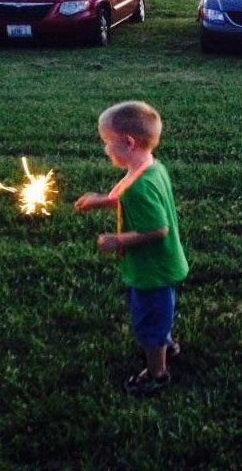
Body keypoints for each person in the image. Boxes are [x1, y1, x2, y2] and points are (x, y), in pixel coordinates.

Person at [75, 101, 189, 397]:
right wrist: (101, 200)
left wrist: (119, 241)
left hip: (152, 269)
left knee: (149, 320)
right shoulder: (152, 168)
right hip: (162, 265)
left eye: (107, 143)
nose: (105, 150)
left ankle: (157, 373)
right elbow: (125, 195)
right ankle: (166, 344)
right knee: (158, 311)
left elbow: (158, 229)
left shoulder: (142, 187)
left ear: (128, 142)